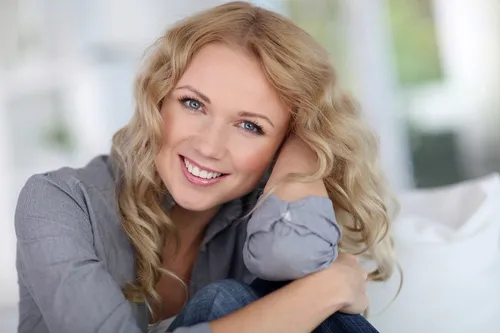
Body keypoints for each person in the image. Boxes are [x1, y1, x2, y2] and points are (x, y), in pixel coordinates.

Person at [14, 2, 396, 333]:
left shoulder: (265, 213)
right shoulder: (57, 202)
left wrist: (307, 142)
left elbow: (291, 254)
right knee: (231, 300)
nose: (209, 146)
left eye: (251, 126)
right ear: (159, 98)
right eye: (193, 104)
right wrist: (325, 290)